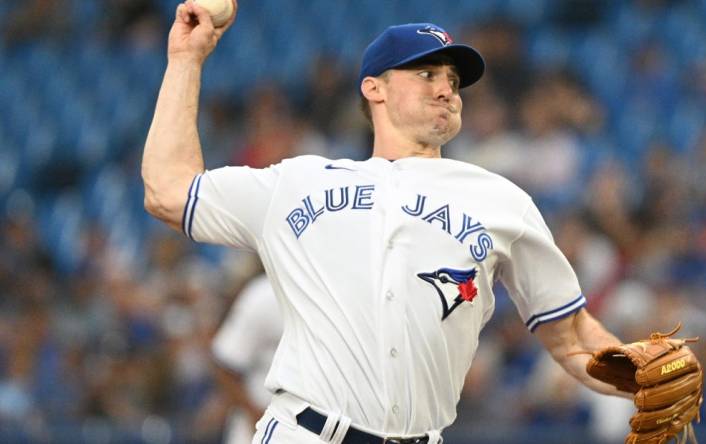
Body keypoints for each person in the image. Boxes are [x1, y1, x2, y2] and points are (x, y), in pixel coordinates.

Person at [142, 2, 631, 442]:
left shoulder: (502, 200)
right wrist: (186, 61)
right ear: (373, 87)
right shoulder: (298, 182)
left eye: (454, 82)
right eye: (427, 74)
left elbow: (572, 337)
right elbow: (167, 190)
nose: (447, 90)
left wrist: (640, 376)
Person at [212, 273, 283, 444]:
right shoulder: (263, 295)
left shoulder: (333, 295)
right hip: (257, 421)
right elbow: (224, 366)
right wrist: (254, 415)